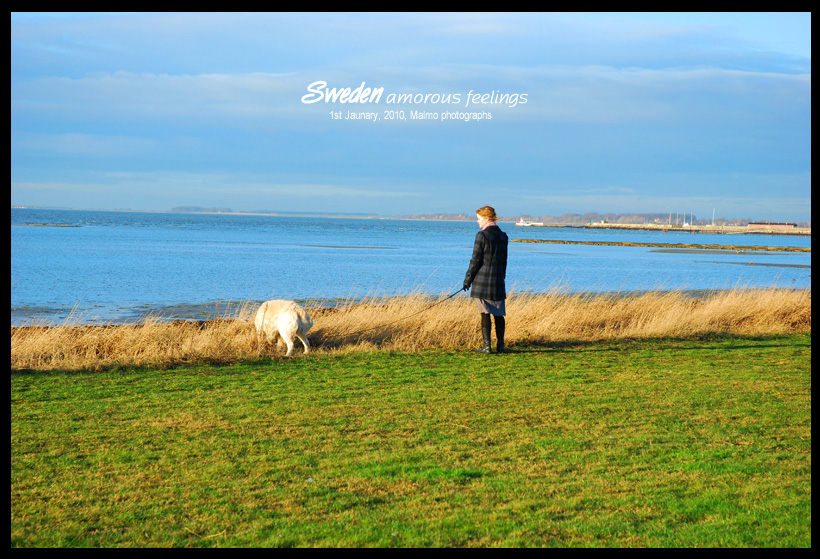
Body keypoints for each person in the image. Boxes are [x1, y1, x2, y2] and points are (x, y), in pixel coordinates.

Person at [463, 205, 508, 353]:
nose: (477, 222)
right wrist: (502, 276)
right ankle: (500, 346)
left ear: (487, 218)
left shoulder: (481, 236)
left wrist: (467, 280)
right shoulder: (503, 236)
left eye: (479, 219)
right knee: (499, 313)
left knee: (485, 313)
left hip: (482, 280)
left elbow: (475, 261)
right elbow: (504, 261)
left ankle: (487, 346)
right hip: (498, 279)